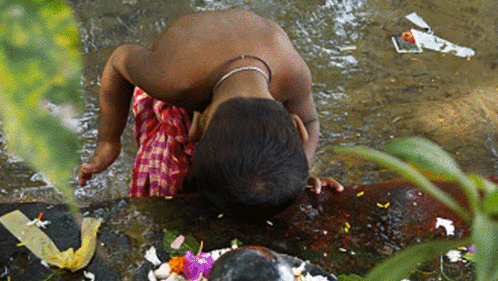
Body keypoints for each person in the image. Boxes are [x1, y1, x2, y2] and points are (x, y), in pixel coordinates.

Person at [78, 8, 343, 219]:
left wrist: (294, 176)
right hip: (180, 71)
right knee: (175, 182)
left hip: (227, 69)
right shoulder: (169, 80)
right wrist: (108, 141)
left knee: (244, 176)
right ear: (195, 129)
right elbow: (117, 60)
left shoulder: (293, 74)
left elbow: (311, 119)